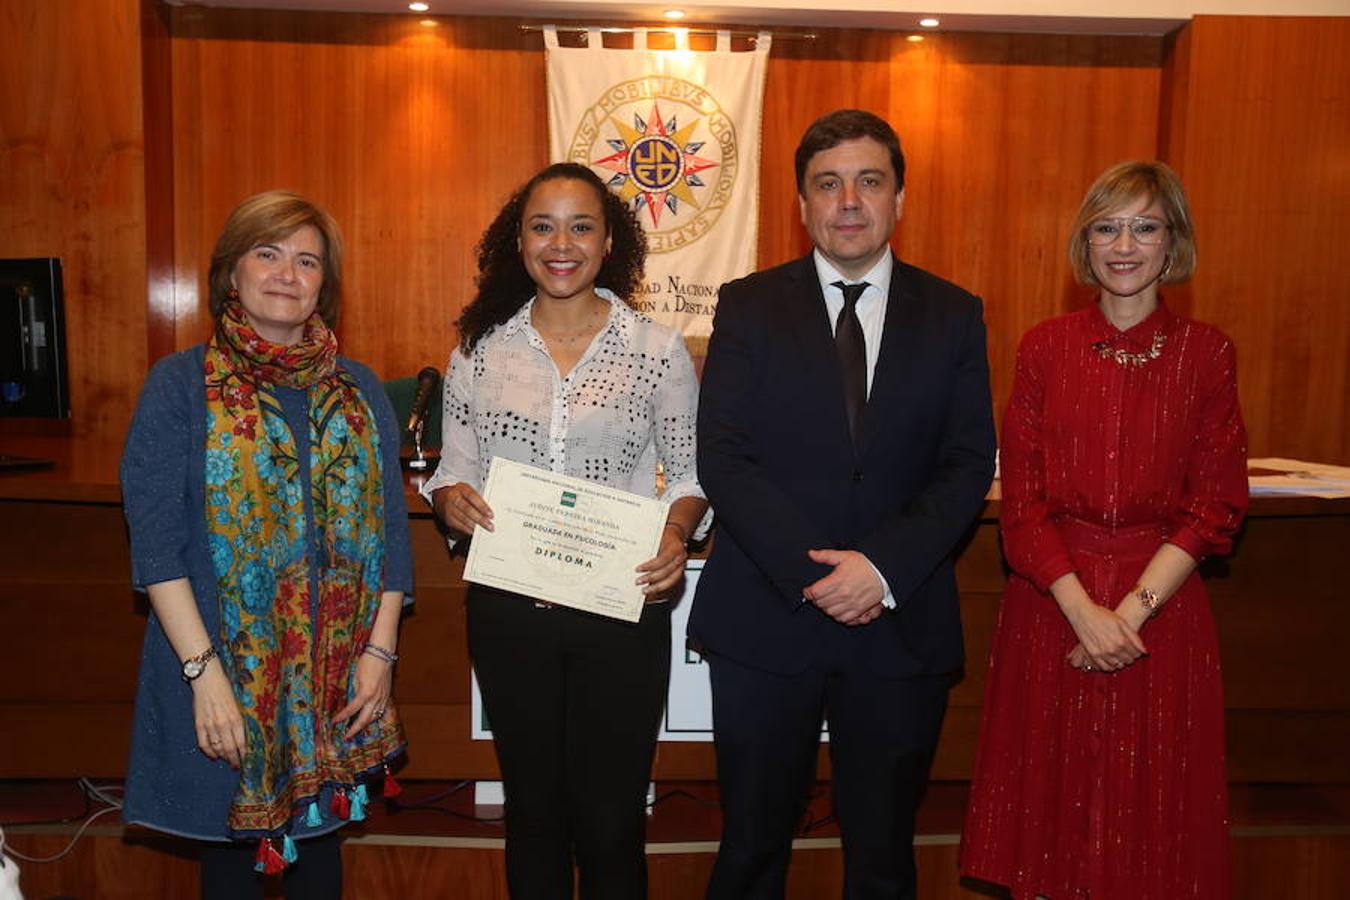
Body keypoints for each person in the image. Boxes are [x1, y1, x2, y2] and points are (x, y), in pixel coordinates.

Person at [690, 109, 997, 900]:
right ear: (802, 204)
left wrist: (881, 570)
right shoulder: (747, 306)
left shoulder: (955, 314)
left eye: (869, 181)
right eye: (828, 184)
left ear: (899, 197)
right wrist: (815, 573)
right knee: (752, 845)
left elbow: (966, 465)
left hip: (899, 623)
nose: (849, 200)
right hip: (768, 616)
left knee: (885, 855)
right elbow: (723, 456)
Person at [959, 161, 1248, 898]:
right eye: (1107, 227)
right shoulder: (1043, 348)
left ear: (1172, 241)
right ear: (1085, 242)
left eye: (1145, 226)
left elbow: (1214, 505)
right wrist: (1086, 614)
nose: (1125, 244)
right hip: (1053, 609)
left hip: (1164, 614)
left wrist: (1128, 616)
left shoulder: (1208, 354)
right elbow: (1021, 506)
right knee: (1048, 835)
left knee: (1153, 833)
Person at [421, 162, 710, 899]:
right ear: (517, 244)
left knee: (613, 819)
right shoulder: (479, 351)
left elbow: (690, 476)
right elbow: (455, 469)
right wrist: (450, 498)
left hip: (622, 609)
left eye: (581, 226)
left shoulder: (657, 350)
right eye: (542, 226)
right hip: (509, 611)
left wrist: (677, 533)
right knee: (535, 815)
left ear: (608, 241)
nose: (562, 243)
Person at [120, 191, 413, 899]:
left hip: (333, 681)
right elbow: (156, 550)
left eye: (307, 260)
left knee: (321, 862)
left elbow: (392, 535)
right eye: (268, 252)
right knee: (232, 866)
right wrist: (206, 677)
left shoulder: (360, 390)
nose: (287, 273)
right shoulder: (180, 387)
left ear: (324, 286)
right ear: (231, 274)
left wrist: (379, 655)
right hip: (219, 671)